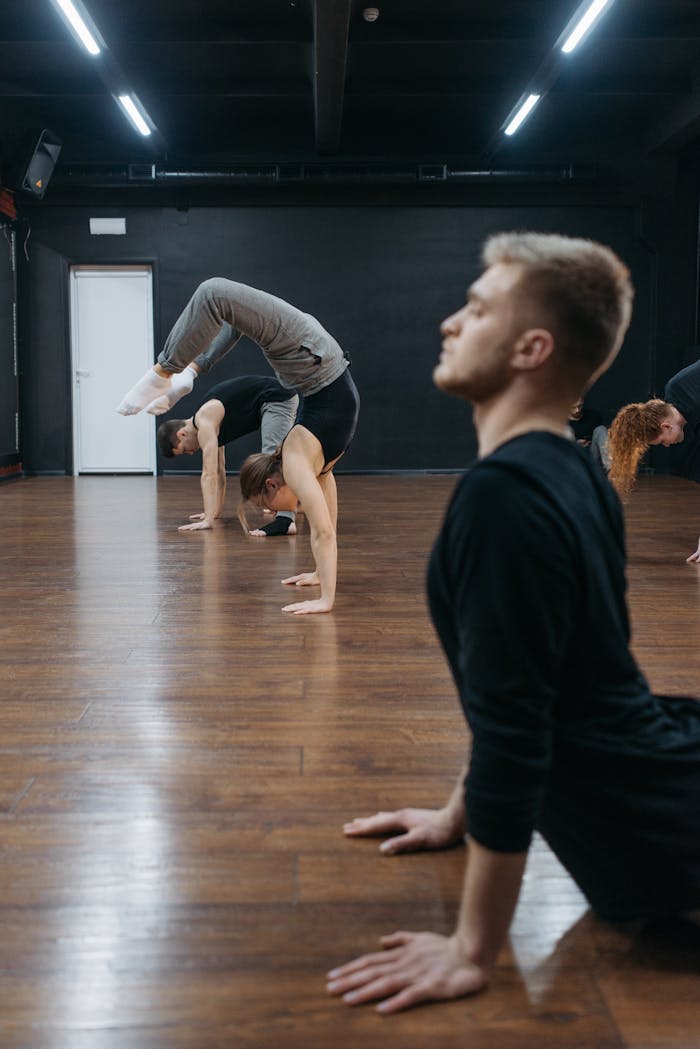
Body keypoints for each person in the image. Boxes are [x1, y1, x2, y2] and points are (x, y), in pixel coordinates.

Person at [325, 232, 700, 1016]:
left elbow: (517, 731)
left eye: (477, 308)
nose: (449, 324)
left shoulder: (507, 497)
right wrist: (457, 815)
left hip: (666, 830)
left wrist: (473, 949)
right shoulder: (568, 469)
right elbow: (534, 681)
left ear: (532, 347)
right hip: (659, 769)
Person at [118, 279, 359, 614]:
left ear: (272, 483)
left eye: (269, 504)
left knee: (214, 293)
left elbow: (322, 533)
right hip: (310, 361)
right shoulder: (313, 462)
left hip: (310, 358)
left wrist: (326, 600)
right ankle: (188, 371)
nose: (275, 511)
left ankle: (167, 372)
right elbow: (327, 526)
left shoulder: (295, 462)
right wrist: (320, 575)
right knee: (227, 310)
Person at [156, 374, 299, 535]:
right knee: (272, 460)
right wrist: (214, 512)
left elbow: (208, 474)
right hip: (271, 399)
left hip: (276, 398)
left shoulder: (205, 420)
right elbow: (219, 471)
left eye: (183, 449)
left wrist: (207, 521)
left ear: (182, 434)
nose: (189, 453)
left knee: (271, 459)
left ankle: (286, 520)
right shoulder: (210, 424)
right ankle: (290, 502)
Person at [607, 359, 700, 560]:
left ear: (665, 426)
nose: (666, 445)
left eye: (661, 442)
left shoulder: (681, 389)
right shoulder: (689, 412)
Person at [568, 396, 610, 470]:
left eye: (579, 406)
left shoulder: (593, 416)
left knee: (601, 429)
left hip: (593, 455)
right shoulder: (562, 422)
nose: (577, 410)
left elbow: (602, 439)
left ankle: (611, 470)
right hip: (575, 459)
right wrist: (576, 444)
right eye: (573, 407)